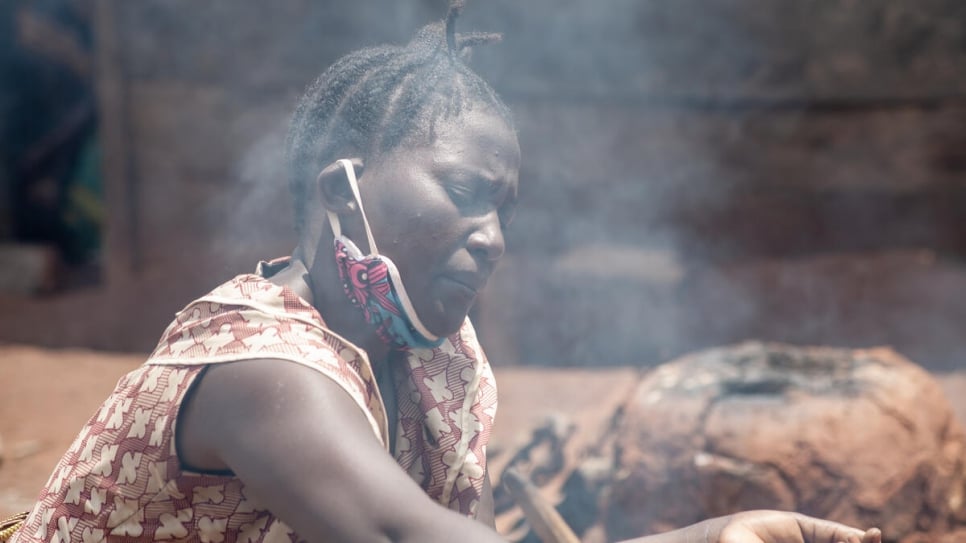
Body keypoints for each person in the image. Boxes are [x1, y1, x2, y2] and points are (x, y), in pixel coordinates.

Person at [5, 2, 883, 542]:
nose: (493, 236)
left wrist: (718, 532)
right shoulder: (264, 369)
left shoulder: (437, 360)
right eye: (464, 192)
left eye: (504, 208)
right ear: (341, 188)